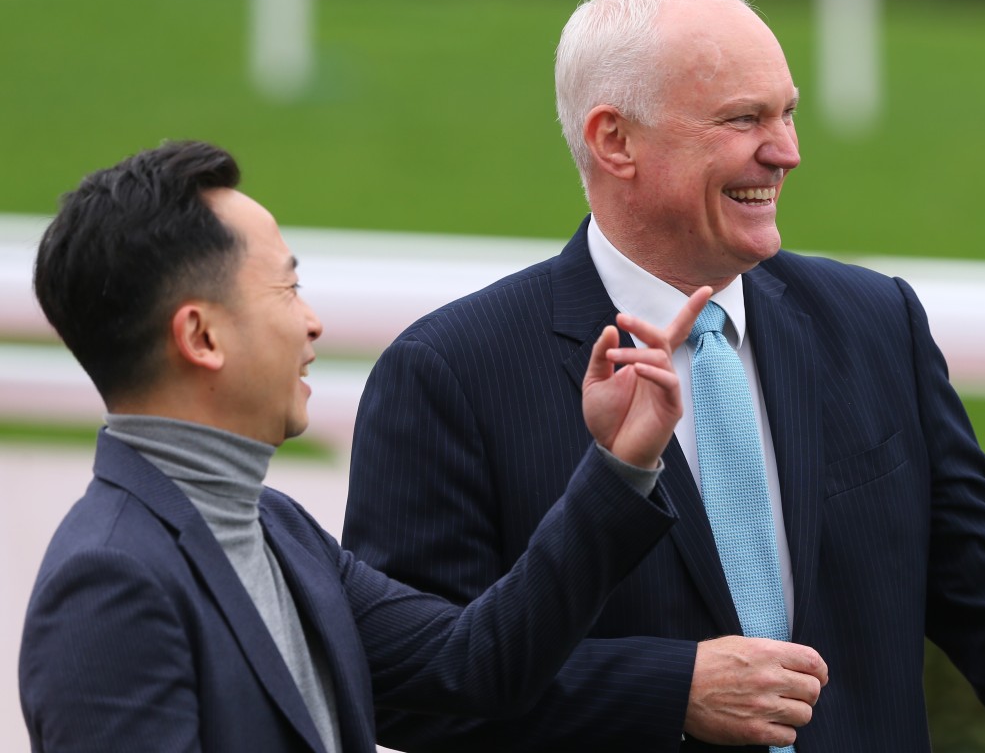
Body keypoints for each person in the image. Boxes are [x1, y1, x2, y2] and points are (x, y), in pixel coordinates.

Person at [343, 0, 985, 753]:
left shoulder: (874, 326)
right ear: (615, 141)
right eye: (743, 119)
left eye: (787, 113)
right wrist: (666, 689)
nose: (785, 150)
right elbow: (411, 685)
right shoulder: (449, 373)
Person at [18, 139, 712, 753]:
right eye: (288, 287)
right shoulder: (108, 582)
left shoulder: (276, 527)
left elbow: (476, 661)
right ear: (201, 337)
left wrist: (618, 467)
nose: (314, 323)